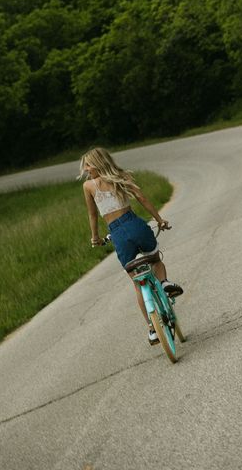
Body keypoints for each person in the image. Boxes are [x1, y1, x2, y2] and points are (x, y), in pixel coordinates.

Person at [80, 147, 183, 345]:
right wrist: (159, 220)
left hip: (117, 234)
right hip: (135, 225)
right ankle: (164, 283)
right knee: (155, 260)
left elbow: (92, 215)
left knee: (137, 282)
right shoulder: (122, 176)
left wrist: (95, 238)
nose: (85, 169)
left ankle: (153, 329)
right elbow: (142, 198)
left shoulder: (88, 187)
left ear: (97, 163)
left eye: (88, 164)